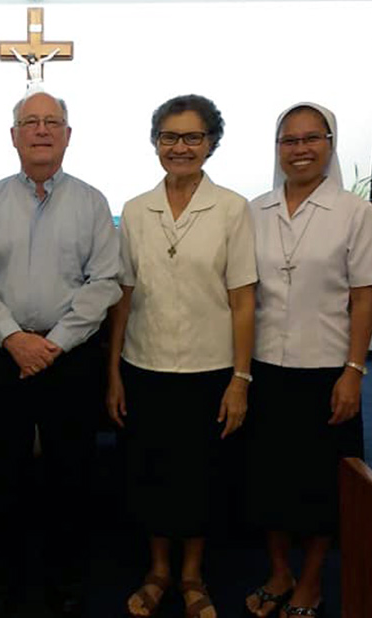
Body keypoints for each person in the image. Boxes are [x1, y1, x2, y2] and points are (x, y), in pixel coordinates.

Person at [0, 91, 120, 616]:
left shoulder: (92, 202)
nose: (42, 130)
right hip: (2, 353)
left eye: (53, 122)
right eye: (31, 122)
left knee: (71, 471)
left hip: (68, 356)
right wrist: (13, 338)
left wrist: (55, 343)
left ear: (68, 135)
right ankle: (1, 577)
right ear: (14, 136)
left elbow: (105, 281)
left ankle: (66, 579)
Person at [107, 94, 256, 618]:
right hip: (144, 365)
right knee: (149, 473)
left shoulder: (232, 208)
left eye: (193, 137)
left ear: (211, 143)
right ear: (155, 143)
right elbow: (123, 297)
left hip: (209, 368)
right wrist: (113, 373)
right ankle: (158, 571)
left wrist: (240, 379)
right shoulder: (135, 210)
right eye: (169, 137)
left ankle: (192, 575)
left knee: (200, 477)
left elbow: (243, 300)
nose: (180, 147)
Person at [244, 103, 372, 618]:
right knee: (269, 478)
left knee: (321, 483)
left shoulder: (355, 212)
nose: (300, 149)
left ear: (329, 144)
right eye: (289, 140)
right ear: (277, 148)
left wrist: (354, 371)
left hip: (327, 368)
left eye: (311, 138)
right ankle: (280, 572)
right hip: (264, 366)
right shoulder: (255, 210)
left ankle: (314, 580)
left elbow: (364, 297)